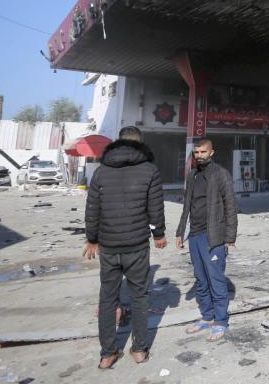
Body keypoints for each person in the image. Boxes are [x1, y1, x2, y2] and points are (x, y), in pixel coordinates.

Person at [83, 126, 166, 369]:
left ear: (119, 142)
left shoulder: (101, 171)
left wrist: (92, 238)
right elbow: (155, 208)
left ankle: (108, 354)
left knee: (108, 298)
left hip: (108, 246)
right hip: (137, 244)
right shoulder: (150, 170)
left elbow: (92, 209)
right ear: (141, 143)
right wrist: (158, 234)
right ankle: (139, 350)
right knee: (139, 296)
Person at [175, 138, 238, 342]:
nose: (199, 155)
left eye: (203, 152)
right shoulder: (193, 175)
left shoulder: (221, 174)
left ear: (212, 152)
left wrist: (230, 237)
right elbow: (187, 206)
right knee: (201, 280)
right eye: (196, 152)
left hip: (214, 237)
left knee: (216, 281)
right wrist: (180, 231)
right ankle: (207, 317)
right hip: (194, 236)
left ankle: (221, 322)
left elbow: (230, 206)